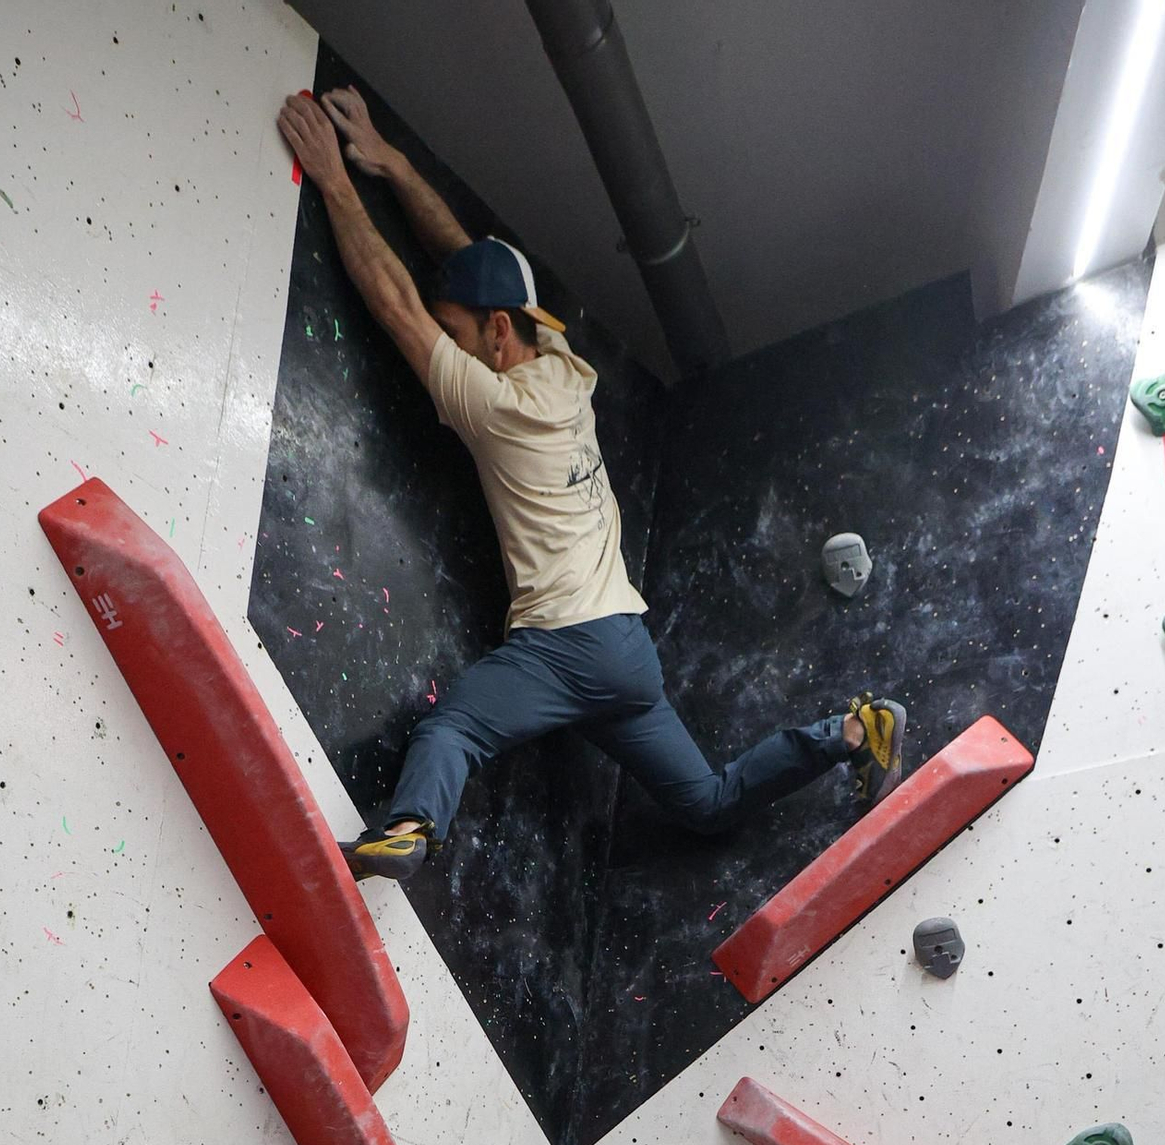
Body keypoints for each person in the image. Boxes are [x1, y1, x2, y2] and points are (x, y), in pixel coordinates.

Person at [277, 87, 907, 886]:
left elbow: (397, 303)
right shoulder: (568, 371)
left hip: (565, 647)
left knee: (457, 728)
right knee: (707, 803)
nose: (457, 349)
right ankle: (850, 733)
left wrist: (336, 178)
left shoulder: (495, 405)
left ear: (497, 334)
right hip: (627, 654)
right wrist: (393, 163)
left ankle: (409, 826)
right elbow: (479, 264)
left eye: (465, 337)